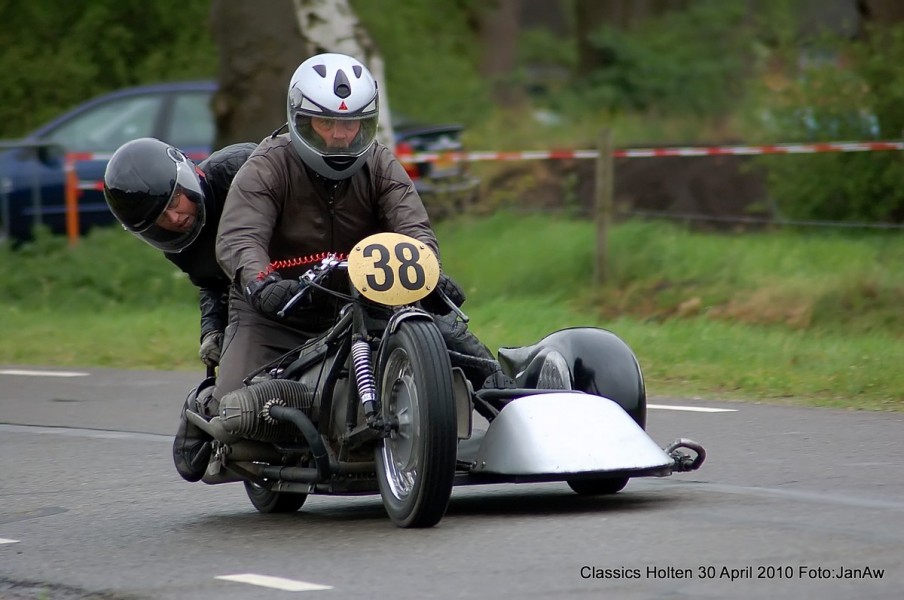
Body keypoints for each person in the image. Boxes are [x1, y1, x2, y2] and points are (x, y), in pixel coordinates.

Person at [205, 53, 500, 477]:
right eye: (328, 123)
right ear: (300, 120)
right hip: (277, 309)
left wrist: (427, 269)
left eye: (353, 124)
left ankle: (506, 399)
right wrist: (261, 282)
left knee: (449, 333)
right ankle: (212, 411)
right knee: (234, 423)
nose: (342, 136)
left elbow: (414, 227)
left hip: (366, 297)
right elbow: (239, 238)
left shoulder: (380, 162)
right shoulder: (267, 166)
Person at [102, 136, 258, 481]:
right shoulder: (179, 245)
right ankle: (205, 408)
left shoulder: (240, 168)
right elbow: (212, 282)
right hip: (260, 303)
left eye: (175, 200)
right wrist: (212, 330)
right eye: (161, 218)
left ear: (188, 177)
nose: (176, 217)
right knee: (233, 401)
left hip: (322, 263)